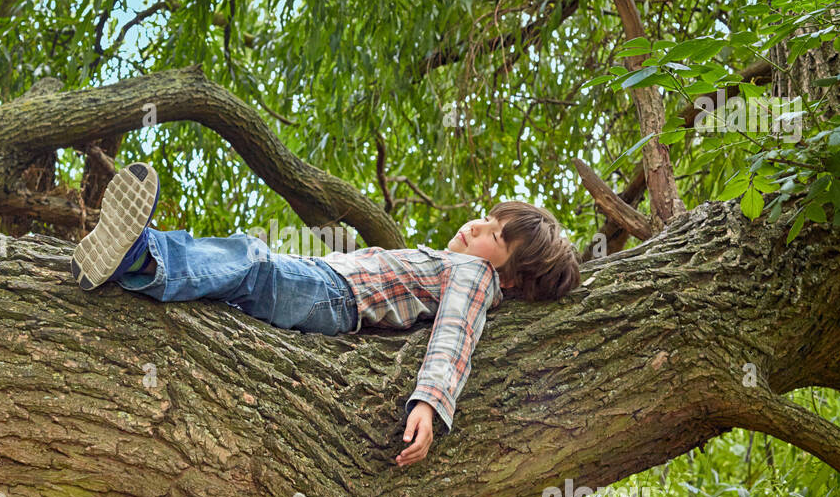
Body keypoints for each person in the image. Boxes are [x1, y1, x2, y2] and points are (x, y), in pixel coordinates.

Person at [68, 162, 581, 467]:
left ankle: (142, 255)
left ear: (508, 278)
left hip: (335, 295)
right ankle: (128, 266)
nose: (476, 227)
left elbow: (455, 337)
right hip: (328, 288)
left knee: (251, 263)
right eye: (489, 218)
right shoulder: (464, 265)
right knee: (241, 278)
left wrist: (428, 404)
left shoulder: (475, 279)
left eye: (494, 236)